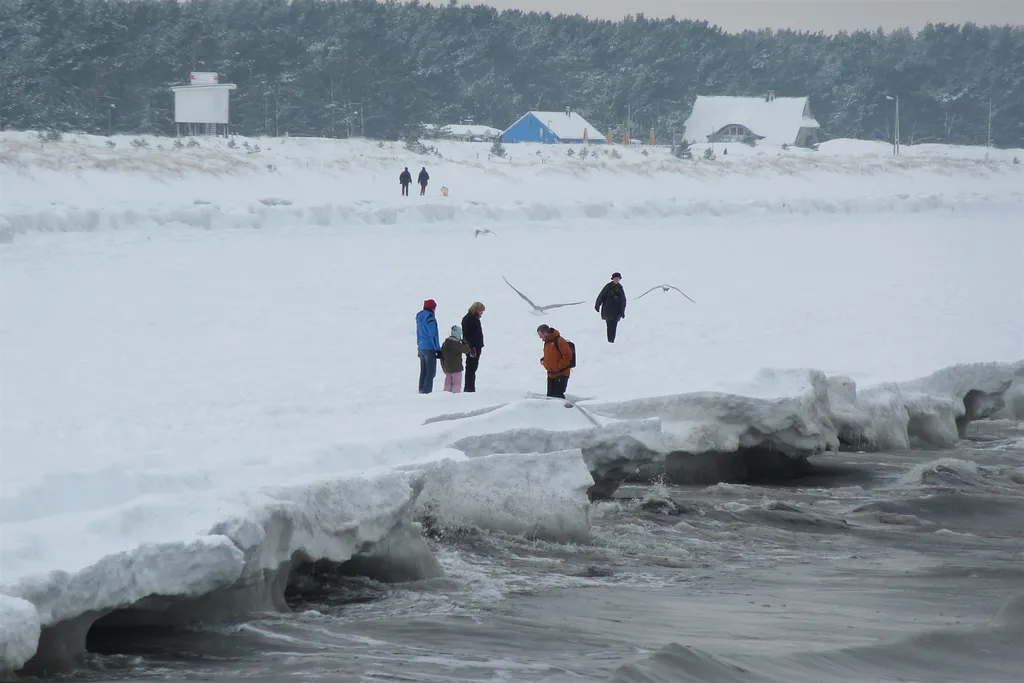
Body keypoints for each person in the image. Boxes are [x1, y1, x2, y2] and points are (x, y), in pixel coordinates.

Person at [537, 324, 572, 399]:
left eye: (540, 335)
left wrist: (559, 366)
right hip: (551, 375)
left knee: (558, 396)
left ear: (545, 333)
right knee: (550, 397)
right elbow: (551, 356)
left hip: (561, 374)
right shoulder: (547, 343)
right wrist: (544, 360)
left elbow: (568, 355)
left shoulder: (559, 341)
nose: (540, 337)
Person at [416, 299, 442, 393]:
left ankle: (421, 390)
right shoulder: (430, 318)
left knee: (423, 371)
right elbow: (433, 335)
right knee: (431, 372)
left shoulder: (419, 318)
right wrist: (437, 349)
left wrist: (419, 345)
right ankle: (426, 392)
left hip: (421, 347)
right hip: (429, 348)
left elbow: (418, 333)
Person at [594, 271, 626, 343]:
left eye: (618, 279)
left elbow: (623, 301)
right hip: (607, 310)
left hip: (616, 312)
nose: (616, 280)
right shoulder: (608, 287)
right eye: (615, 278)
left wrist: (622, 311)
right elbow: (601, 295)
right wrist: (597, 305)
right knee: (609, 326)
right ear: (613, 279)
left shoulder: (620, 288)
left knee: (614, 326)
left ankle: (611, 341)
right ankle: (610, 340)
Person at [461, 301, 486, 392]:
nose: (482, 313)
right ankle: (469, 387)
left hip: (476, 346)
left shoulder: (474, 318)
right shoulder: (469, 319)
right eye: (481, 311)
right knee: (471, 368)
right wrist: (471, 347)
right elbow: (467, 335)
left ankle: (470, 386)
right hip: (472, 347)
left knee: (473, 368)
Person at [440, 325, 471, 393]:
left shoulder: (445, 343)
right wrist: (465, 342)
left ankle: (445, 395)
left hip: (447, 368)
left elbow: (442, 356)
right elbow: (466, 350)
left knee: (447, 383)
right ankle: (455, 396)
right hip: (456, 368)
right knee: (456, 384)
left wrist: (443, 366)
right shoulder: (456, 344)